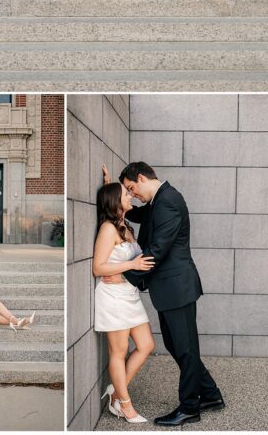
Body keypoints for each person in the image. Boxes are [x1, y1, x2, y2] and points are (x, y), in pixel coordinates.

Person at [103, 162, 225, 427]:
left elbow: (158, 249)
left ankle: (190, 407)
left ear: (143, 177)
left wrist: (124, 273)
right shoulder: (160, 200)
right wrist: (112, 193)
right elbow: (137, 215)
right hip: (171, 288)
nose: (132, 194)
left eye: (132, 188)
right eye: (128, 192)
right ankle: (212, 395)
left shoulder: (168, 201)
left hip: (177, 287)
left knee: (185, 348)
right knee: (178, 345)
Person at [93, 181, 156, 423]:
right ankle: (125, 405)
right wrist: (131, 265)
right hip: (113, 296)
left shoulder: (125, 227)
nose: (130, 195)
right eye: (125, 193)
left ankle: (116, 393)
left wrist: (109, 179)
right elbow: (98, 267)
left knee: (146, 344)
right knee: (118, 352)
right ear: (113, 201)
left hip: (129, 294)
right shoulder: (108, 229)